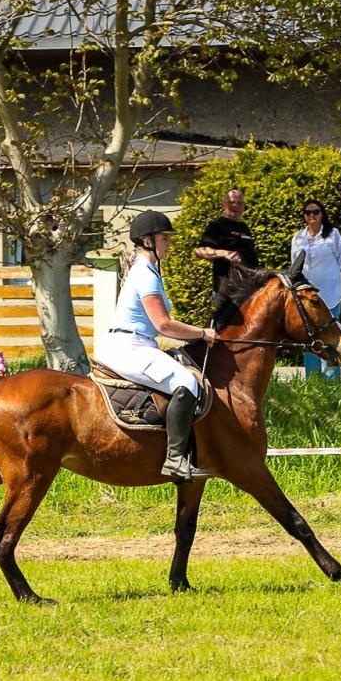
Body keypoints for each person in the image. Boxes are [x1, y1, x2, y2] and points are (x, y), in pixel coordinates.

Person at [98, 210, 220, 483]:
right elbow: (163, 324)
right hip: (129, 347)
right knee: (187, 384)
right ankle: (175, 460)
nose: (169, 243)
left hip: (137, 343)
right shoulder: (146, 275)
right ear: (147, 240)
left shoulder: (149, 271)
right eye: (164, 238)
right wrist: (202, 333)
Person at [289, 200, 341, 380]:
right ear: (304, 216)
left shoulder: (333, 235)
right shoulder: (298, 238)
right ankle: (313, 381)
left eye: (316, 212)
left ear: (322, 214)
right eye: (308, 212)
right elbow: (295, 268)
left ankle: (332, 382)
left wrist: (333, 277)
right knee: (310, 340)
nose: (312, 216)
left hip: (330, 297)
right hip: (306, 300)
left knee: (331, 339)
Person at [192, 188, 258, 325]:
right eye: (231, 202)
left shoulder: (244, 227)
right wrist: (223, 253)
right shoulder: (217, 226)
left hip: (247, 287)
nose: (235, 206)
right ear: (224, 204)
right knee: (224, 326)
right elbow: (200, 251)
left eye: (239, 202)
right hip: (226, 289)